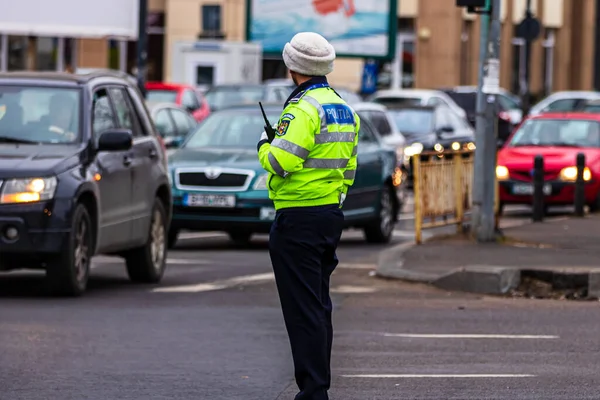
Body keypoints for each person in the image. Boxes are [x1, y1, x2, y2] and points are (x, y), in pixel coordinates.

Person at [257, 32, 359, 400]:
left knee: (302, 311)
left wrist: (264, 147)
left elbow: (281, 161)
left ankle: (313, 392)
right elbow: (348, 168)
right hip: (329, 215)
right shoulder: (343, 107)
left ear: (292, 67)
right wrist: (334, 200)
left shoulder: (302, 108)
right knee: (318, 307)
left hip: (297, 218)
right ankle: (318, 387)